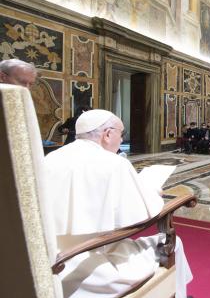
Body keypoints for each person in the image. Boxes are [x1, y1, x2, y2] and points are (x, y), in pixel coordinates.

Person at [43, 109, 192, 297]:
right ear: (107, 134)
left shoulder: (51, 158)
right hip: (94, 267)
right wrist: (153, 192)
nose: (122, 140)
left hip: (51, 260)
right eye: (121, 135)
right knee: (173, 243)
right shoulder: (114, 163)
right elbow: (143, 214)